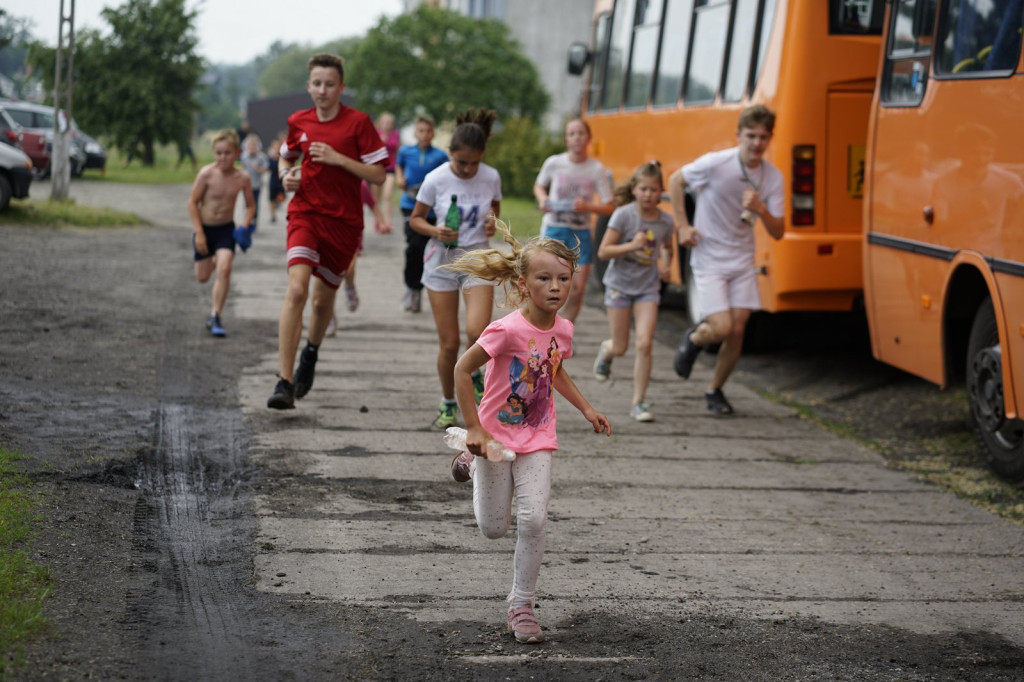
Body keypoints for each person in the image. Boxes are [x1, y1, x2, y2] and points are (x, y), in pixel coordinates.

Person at [447, 220, 612, 644]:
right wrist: (474, 429)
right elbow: (462, 370)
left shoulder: (564, 329)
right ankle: (469, 454)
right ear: (523, 284)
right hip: (495, 438)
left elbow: (554, 369)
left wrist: (587, 408)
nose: (556, 287)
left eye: (564, 278)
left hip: (538, 434)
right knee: (494, 529)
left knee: (534, 518)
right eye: (545, 278)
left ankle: (521, 605)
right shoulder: (506, 329)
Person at [266, 53, 388, 410]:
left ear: (341, 88)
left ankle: (311, 354)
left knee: (322, 301)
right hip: (304, 213)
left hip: (343, 223)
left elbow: (379, 174)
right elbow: (286, 156)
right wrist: (284, 175)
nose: (322, 90)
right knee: (297, 289)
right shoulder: (298, 121)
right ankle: (284, 381)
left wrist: (339, 159)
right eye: (316, 84)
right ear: (308, 86)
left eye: (330, 84)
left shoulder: (358, 123)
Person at [668, 104, 785, 415]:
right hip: (709, 256)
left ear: (770, 138)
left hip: (741, 260)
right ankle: (693, 339)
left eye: (763, 137)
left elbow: (779, 232)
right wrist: (682, 226)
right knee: (720, 327)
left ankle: (714, 390)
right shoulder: (716, 164)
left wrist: (762, 210)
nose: (757, 143)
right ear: (738, 135)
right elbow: (676, 180)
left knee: (737, 330)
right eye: (751, 136)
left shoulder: (773, 178)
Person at [409, 108, 502, 429]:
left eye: (474, 162)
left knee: (478, 333)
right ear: (451, 154)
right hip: (442, 262)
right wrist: (436, 230)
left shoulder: (490, 176)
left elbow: (495, 209)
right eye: (462, 162)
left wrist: (491, 224)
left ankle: (473, 373)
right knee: (449, 343)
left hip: (477, 259)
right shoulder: (435, 179)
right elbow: (415, 219)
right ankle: (448, 401)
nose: (467, 169)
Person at [592, 161, 674, 422]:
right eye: (643, 189)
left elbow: (667, 246)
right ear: (635, 190)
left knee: (645, 342)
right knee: (621, 346)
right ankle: (607, 351)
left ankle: (638, 402)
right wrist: (631, 246)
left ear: (661, 191)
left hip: (647, 288)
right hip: (619, 285)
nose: (649, 194)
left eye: (654, 190)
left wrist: (667, 265)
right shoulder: (624, 215)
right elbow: (604, 251)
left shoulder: (666, 221)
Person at [533, 117, 615, 322]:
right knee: (546, 283)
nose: (577, 138)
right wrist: (543, 199)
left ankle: (564, 333)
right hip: (554, 229)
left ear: (589, 138)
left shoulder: (596, 169)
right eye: (572, 134)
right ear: (566, 139)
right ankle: (543, 327)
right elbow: (539, 186)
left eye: (581, 133)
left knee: (576, 290)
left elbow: (609, 205)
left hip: (581, 233)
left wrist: (587, 207)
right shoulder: (554, 163)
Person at [185, 129, 255, 338]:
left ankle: (216, 315)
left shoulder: (242, 177)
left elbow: (250, 206)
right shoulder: (207, 174)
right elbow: (192, 202)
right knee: (203, 277)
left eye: (227, 153)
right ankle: (212, 259)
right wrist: (199, 233)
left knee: (225, 269)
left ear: (236, 153)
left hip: (226, 229)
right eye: (219, 153)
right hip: (205, 229)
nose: (223, 157)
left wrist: (244, 225)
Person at [395, 114, 449, 313]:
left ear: (433, 133)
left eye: (428, 131)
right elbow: (398, 167)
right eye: (420, 131)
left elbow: (448, 175)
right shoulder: (405, 151)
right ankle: (412, 289)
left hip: (432, 208)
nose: (424, 135)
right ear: (415, 132)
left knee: (428, 250)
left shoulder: (440, 156)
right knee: (413, 247)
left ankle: (422, 288)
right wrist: (400, 178)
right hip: (410, 203)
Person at [371, 111, 399, 232]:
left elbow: (398, 151)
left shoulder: (395, 134)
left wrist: (399, 169)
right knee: (376, 198)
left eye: (390, 122)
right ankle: (378, 221)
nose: (388, 124)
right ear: (381, 123)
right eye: (385, 122)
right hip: (377, 169)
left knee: (387, 195)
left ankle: (388, 222)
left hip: (390, 169)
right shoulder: (376, 134)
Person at [240, 133, 269, 224]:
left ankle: (254, 219)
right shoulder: (244, 156)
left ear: (258, 146)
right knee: (246, 203)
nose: (252, 148)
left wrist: (258, 168)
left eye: (254, 146)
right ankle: (247, 220)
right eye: (250, 145)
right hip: (246, 184)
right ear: (246, 146)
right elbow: (241, 168)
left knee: (255, 203)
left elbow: (266, 170)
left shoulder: (261, 157)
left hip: (257, 185)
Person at [266, 133, 287, 223]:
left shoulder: (283, 159)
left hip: (280, 180)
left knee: (282, 197)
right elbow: (266, 168)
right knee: (271, 199)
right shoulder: (270, 159)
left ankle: (278, 203)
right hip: (273, 180)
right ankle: (273, 215)